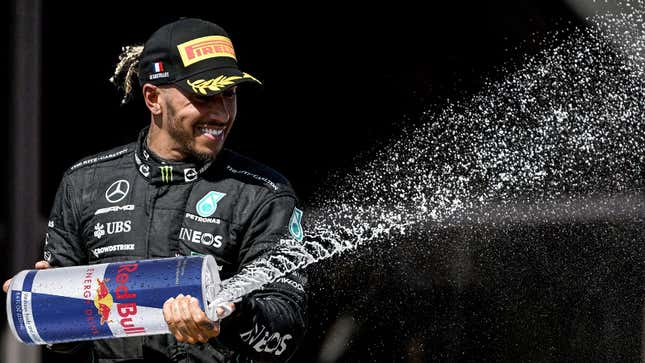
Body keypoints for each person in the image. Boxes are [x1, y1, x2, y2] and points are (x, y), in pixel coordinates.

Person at [3, 17, 307, 362]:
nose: (222, 113)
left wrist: (231, 315)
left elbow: (286, 333)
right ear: (153, 98)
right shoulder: (84, 183)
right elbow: (65, 341)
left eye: (230, 94)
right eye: (205, 95)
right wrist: (46, 302)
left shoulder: (262, 193)